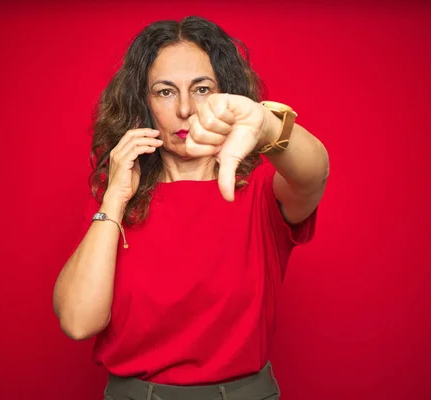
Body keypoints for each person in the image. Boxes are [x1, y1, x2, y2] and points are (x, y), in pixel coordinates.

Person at [53, 16, 329, 400]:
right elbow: (79, 321)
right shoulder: (115, 196)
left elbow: (314, 174)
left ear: (225, 94)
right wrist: (114, 199)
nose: (184, 109)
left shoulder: (260, 193)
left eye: (201, 89)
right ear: (144, 103)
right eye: (165, 92)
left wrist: (266, 124)